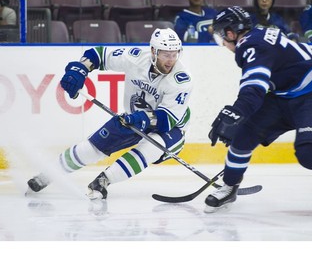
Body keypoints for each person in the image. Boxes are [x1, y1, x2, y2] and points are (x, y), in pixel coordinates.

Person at [205, 6, 312, 213]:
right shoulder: (259, 34)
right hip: (283, 96)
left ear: (231, 33)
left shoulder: (250, 45)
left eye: (221, 37)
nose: (222, 42)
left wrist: (236, 112)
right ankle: (229, 187)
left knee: (310, 155)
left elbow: (254, 88)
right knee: (243, 135)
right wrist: (239, 116)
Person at [27, 28, 193, 200]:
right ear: (153, 51)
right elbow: (98, 54)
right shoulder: (135, 58)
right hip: (132, 118)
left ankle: (103, 181)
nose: (171, 61)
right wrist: (80, 69)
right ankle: (47, 174)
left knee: (150, 148)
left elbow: (167, 119)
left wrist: (138, 119)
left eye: (175, 54)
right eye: (166, 54)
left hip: (171, 128)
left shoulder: (181, 80)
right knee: (91, 148)